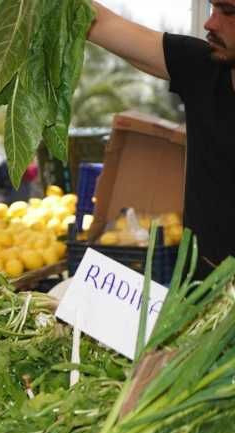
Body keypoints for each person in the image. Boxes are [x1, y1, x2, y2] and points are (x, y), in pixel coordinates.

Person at [87, 2, 235, 278]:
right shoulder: (203, 67)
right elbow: (101, 24)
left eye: (228, 12)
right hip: (196, 301)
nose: (210, 24)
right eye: (213, 8)